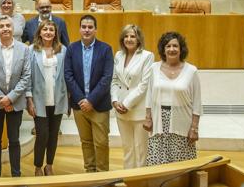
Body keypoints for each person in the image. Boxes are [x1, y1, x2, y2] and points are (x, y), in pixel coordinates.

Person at [0, 15, 31, 178]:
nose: (5, 29)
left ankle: (16, 174)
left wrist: (10, 98)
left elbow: (26, 77)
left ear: (14, 28)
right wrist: (2, 99)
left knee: (14, 140)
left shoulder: (24, 49)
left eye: (8, 25)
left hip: (15, 103)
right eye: (1, 26)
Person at [64, 15, 113, 172]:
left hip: (99, 105)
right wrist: (81, 100)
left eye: (90, 27)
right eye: (84, 27)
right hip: (79, 106)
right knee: (86, 141)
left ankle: (103, 176)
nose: (86, 30)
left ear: (95, 30)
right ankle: (90, 173)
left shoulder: (105, 49)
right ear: (79, 29)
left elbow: (107, 78)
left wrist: (91, 100)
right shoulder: (72, 48)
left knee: (101, 143)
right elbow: (68, 76)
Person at [144, 32, 202, 166]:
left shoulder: (191, 71)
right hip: (159, 122)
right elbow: (149, 95)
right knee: (157, 164)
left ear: (181, 49)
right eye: (168, 46)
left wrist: (194, 128)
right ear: (163, 50)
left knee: (181, 165)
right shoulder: (154, 68)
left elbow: (197, 103)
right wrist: (148, 118)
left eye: (175, 46)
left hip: (182, 122)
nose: (172, 49)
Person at [26, 20, 68, 176]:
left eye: (51, 29)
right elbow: (27, 76)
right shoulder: (31, 50)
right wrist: (29, 99)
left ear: (56, 33)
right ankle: (38, 166)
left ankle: (49, 165)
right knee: (42, 134)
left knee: (53, 134)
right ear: (40, 32)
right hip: (38, 100)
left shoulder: (62, 50)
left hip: (58, 98)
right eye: (45, 29)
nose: (48, 32)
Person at [111, 24, 153, 169]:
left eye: (133, 36)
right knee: (127, 149)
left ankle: (141, 181)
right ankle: (128, 179)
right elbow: (115, 80)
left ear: (139, 39)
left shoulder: (147, 56)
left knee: (141, 150)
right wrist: (115, 100)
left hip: (138, 109)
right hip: (120, 109)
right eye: (126, 36)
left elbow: (144, 85)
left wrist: (126, 104)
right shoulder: (118, 55)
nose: (129, 39)